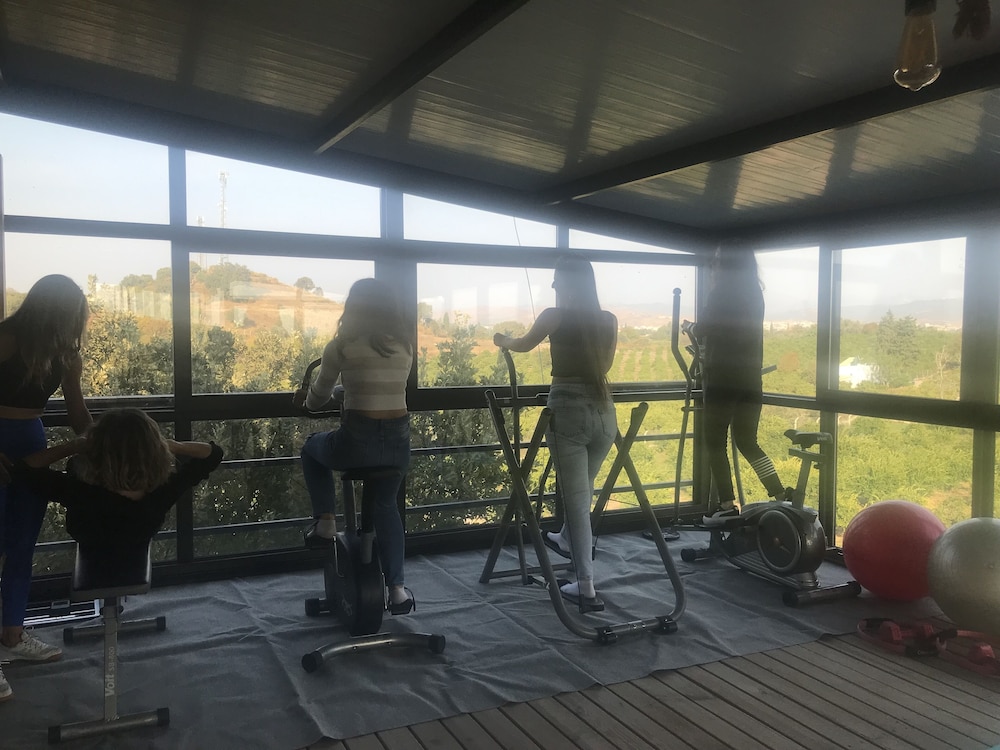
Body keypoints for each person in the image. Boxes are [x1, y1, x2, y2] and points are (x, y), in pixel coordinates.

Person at [494, 257, 618, 613]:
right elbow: (604, 366)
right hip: (604, 412)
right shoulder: (609, 319)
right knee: (583, 491)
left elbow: (522, 344)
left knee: (577, 500)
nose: (553, 285)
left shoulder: (554, 315)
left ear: (568, 283)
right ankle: (564, 538)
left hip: (567, 409)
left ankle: (586, 585)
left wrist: (502, 339)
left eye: (556, 279)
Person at [293, 278, 414, 615]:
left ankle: (326, 522)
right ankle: (398, 590)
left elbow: (317, 400)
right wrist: (346, 392)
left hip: (356, 443)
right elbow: (378, 386)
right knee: (386, 506)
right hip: (398, 444)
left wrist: (308, 399)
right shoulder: (404, 346)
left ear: (354, 307)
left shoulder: (341, 346)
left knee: (311, 449)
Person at [0, 274, 92, 691]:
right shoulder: (6, 339)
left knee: (22, 543)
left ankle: (12, 636)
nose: (77, 323)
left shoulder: (66, 354)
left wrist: (100, 443)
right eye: (73, 314)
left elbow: (77, 410)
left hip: (31, 441)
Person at [696, 245, 790, 527]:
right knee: (748, 441)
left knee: (715, 443)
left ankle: (727, 505)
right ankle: (779, 493)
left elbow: (706, 329)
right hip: (750, 379)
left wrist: (692, 328)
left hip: (722, 379)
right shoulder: (755, 294)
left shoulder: (720, 293)